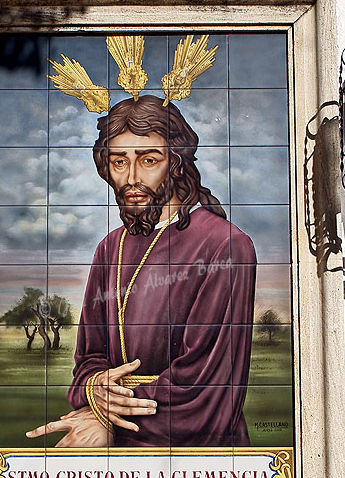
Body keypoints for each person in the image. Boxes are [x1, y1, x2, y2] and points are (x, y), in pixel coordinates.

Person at [26, 95, 256, 448]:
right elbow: (89, 359)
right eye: (119, 162)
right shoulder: (111, 246)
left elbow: (207, 386)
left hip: (196, 462)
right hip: (117, 454)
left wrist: (107, 421)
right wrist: (95, 388)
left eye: (149, 160)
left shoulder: (224, 245)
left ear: (176, 164)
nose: (131, 177)